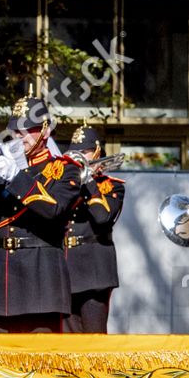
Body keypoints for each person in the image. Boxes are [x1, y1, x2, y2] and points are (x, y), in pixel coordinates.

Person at [0, 97, 80, 333]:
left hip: (41, 276)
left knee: (41, 361)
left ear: (45, 130)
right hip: (1, 275)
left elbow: (54, 209)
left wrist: (15, 176)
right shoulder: (6, 167)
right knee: (0, 363)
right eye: (15, 131)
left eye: (27, 130)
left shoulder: (65, 168)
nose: (20, 136)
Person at [62, 124, 125, 333]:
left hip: (94, 270)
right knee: (66, 343)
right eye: (74, 153)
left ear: (97, 152)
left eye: (84, 152)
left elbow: (102, 218)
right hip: (65, 268)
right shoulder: (66, 184)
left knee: (94, 339)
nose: (79, 157)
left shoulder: (112, 185)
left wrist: (89, 181)